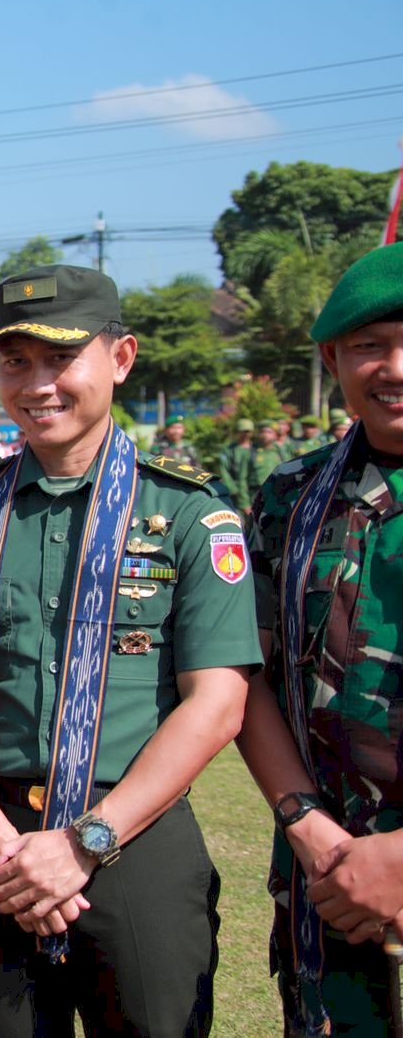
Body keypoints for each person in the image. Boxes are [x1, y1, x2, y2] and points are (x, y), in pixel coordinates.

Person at [0, 264, 260, 1036]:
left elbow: (218, 705)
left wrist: (83, 843)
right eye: (16, 361)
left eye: (61, 358)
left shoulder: (190, 517)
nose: (37, 384)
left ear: (120, 358)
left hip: (133, 840)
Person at [235, 242, 403, 1034]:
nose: (394, 367)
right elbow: (249, 676)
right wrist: (305, 823)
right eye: (370, 346)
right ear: (333, 358)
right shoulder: (290, 499)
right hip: (323, 884)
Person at [217, 417, 257, 515]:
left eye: (248, 431)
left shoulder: (256, 449)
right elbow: (224, 472)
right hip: (236, 494)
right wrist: (233, 490)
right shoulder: (229, 450)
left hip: (254, 491)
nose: (245, 434)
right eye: (242, 431)